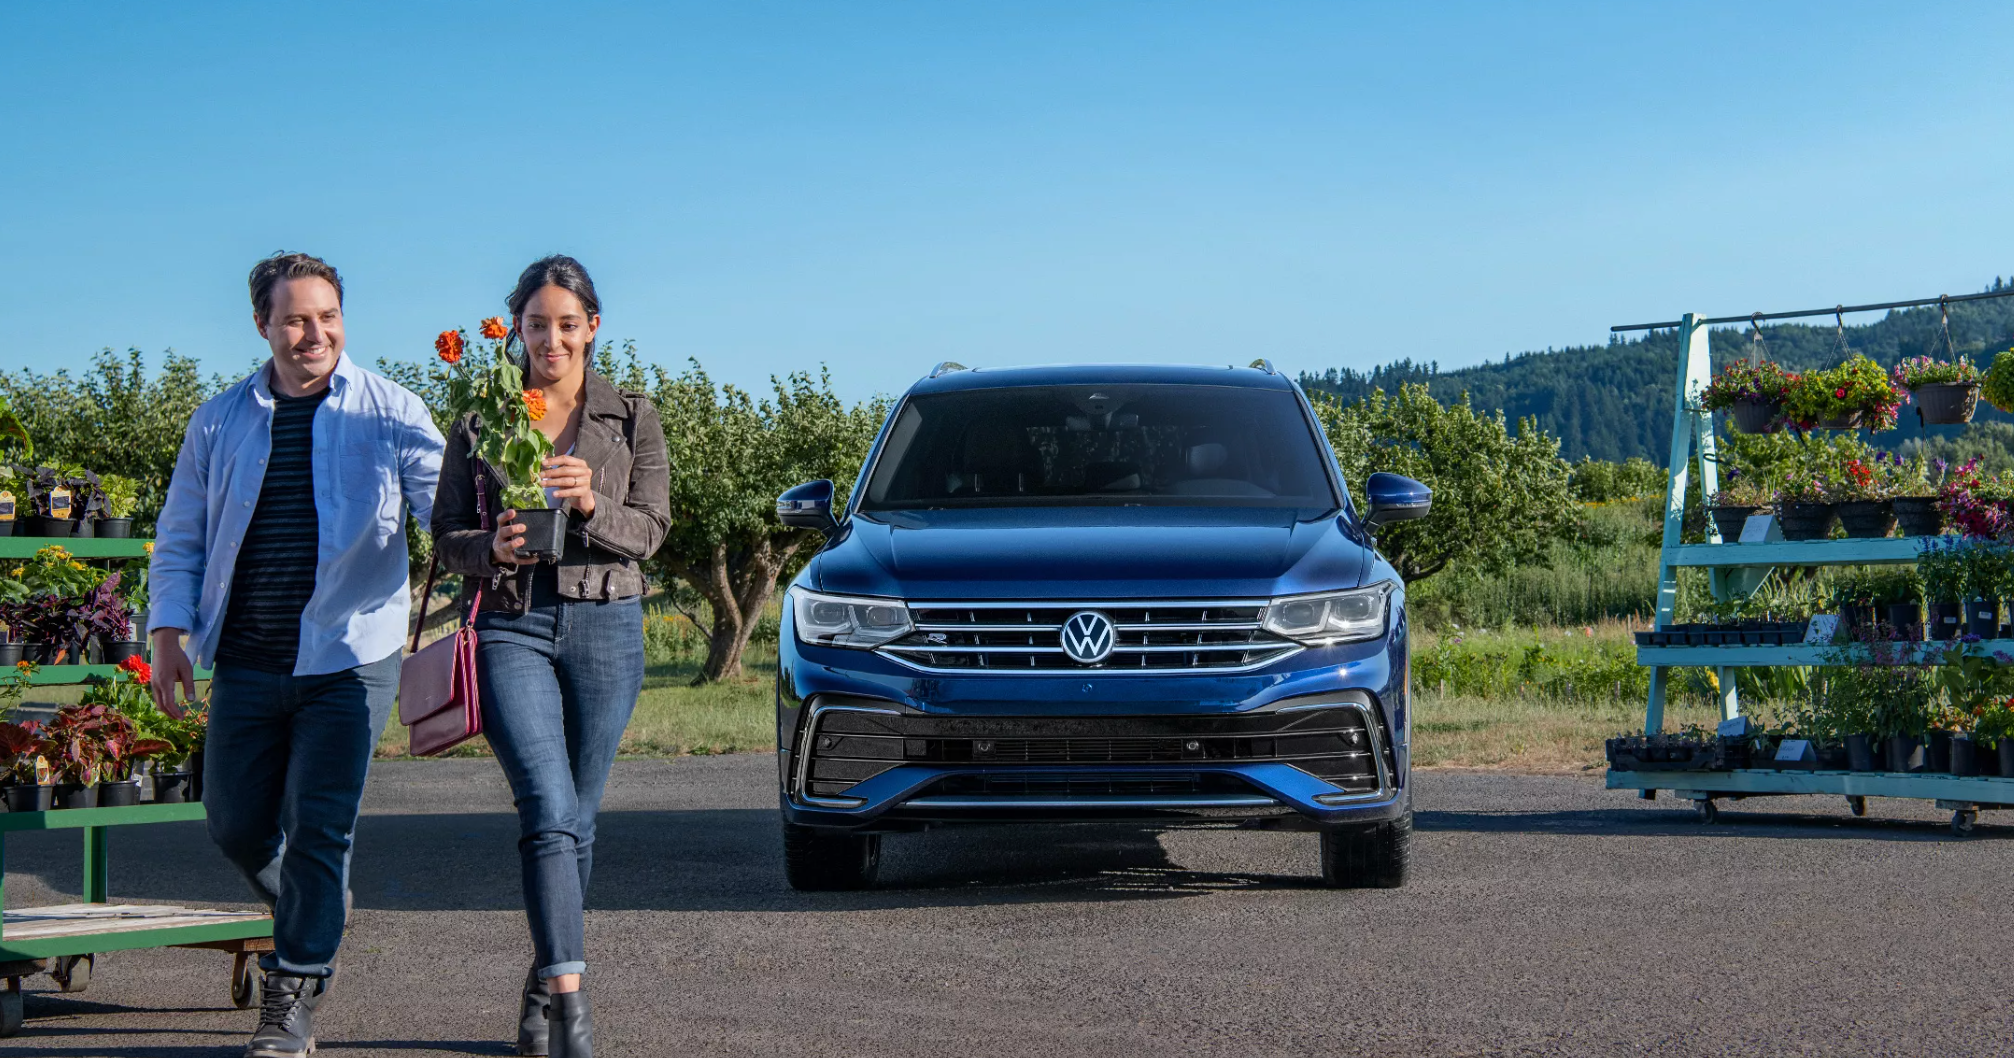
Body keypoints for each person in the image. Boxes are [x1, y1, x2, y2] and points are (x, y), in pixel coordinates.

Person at [148, 252, 445, 1058]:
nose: (314, 333)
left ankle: (293, 992)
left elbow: (446, 509)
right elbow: (180, 537)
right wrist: (166, 634)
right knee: (236, 825)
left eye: (327, 317)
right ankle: (316, 908)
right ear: (263, 325)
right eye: (295, 319)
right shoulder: (219, 420)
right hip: (245, 656)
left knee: (320, 829)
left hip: (352, 657)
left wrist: (493, 523)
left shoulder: (389, 410)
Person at [431, 255, 669, 1058]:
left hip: (607, 626)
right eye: (538, 324)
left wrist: (594, 504)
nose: (552, 339)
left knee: (579, 817)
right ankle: (572, 1015)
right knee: (545, 807)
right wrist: (488, 545)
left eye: (568, 324)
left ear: (592, 327)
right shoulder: (479, 417)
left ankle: (542, 983)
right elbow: (443, 536)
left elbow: (652, 533)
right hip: (512, 624)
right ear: (518, 329)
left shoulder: (631, 418)